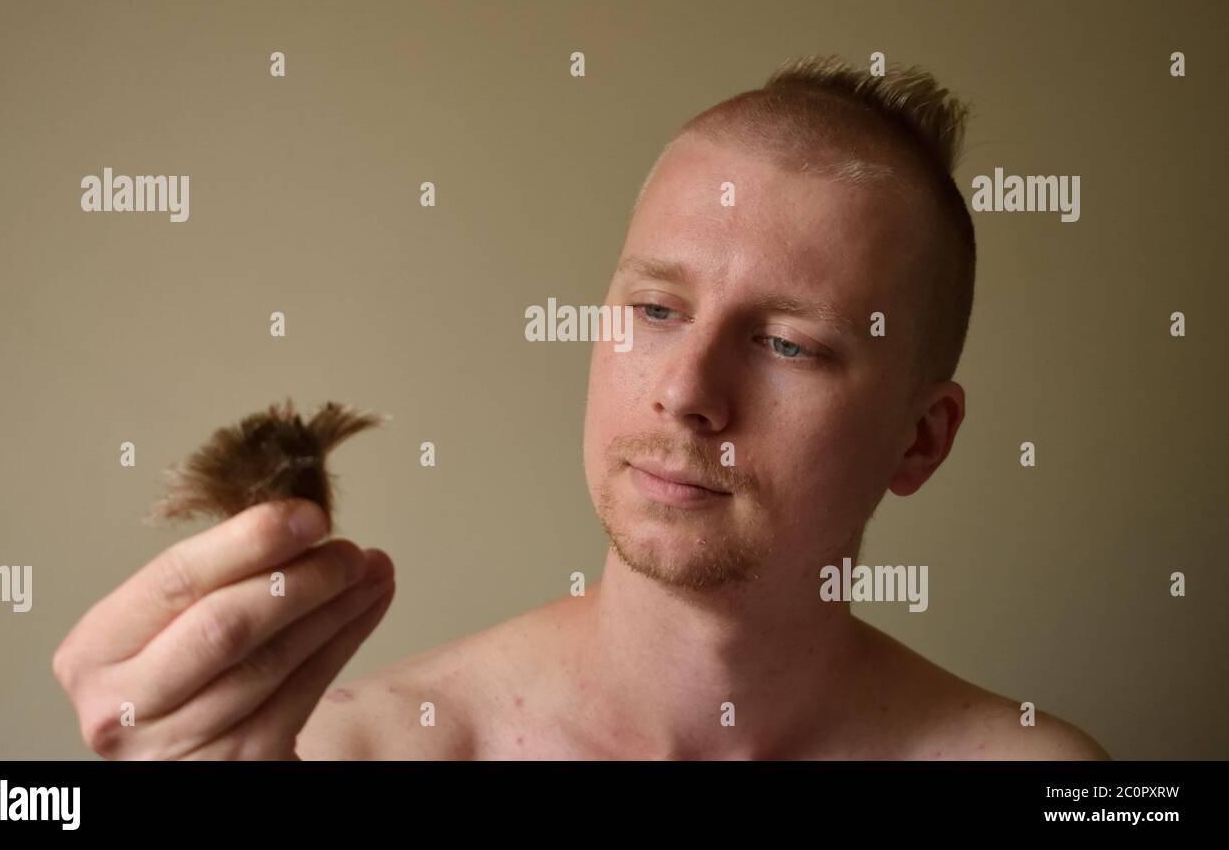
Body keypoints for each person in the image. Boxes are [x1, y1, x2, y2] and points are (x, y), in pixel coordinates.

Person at [53, 54, 1110, 760]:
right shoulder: (358, 751)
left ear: (919, 440)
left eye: (786, 342)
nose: (685, 389)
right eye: (654, 308)